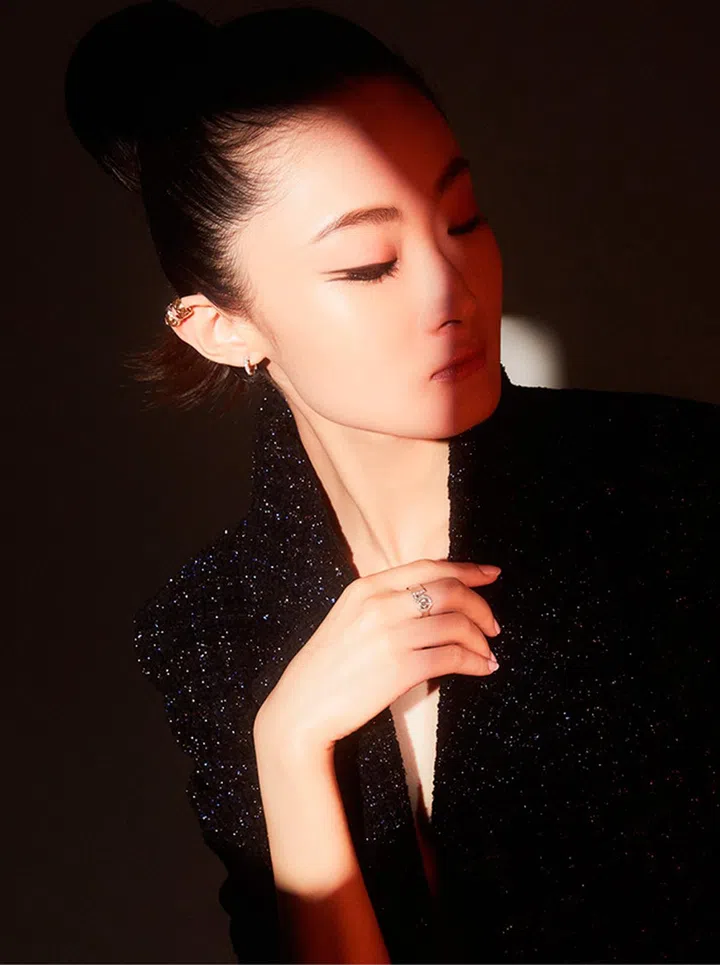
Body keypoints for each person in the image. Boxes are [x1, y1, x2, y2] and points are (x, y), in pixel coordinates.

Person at [65, 3, 718, 963]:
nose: (452, 290)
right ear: (222, 328)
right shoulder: (214, 627)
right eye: (369, 265)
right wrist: (291, 746)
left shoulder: (677, 487)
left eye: (463, 218)